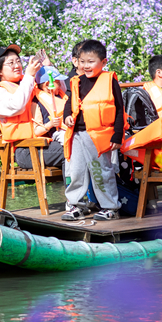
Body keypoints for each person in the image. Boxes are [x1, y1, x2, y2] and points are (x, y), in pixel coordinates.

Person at [62, 40, 124, 221]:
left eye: (91, 62)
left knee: (101, 171)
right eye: (82, 62)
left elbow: (119, 109)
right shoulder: (76, 82)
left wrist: (117, 134)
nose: (85, 66)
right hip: (77, 134)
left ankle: (110, 207)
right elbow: (69, 104)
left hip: (97, 136)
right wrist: (67, 116)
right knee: (76, 172)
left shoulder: (109, 80)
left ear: (103, 62)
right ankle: (76, 205)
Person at [0, 44, 65, 171]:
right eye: (11, 63)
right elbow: (17, 106)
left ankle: (82, 190)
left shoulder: (29, 83)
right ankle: (74, 190)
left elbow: (59, 91)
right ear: (0, 70)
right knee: (73, 150)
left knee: (81, 144)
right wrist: (29, 76)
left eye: (18, 61)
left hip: (47, 141)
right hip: (26, 149)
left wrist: (48, 67)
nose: (17, 65)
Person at [34, 66, 68, 143]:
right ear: (47, 84)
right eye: (58, 83)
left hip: (69, 127)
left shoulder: (59, 95)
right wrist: (50, 124)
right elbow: (36, 131)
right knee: (68, 139)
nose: (60, 86)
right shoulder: (36, 103)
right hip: (58, 132)